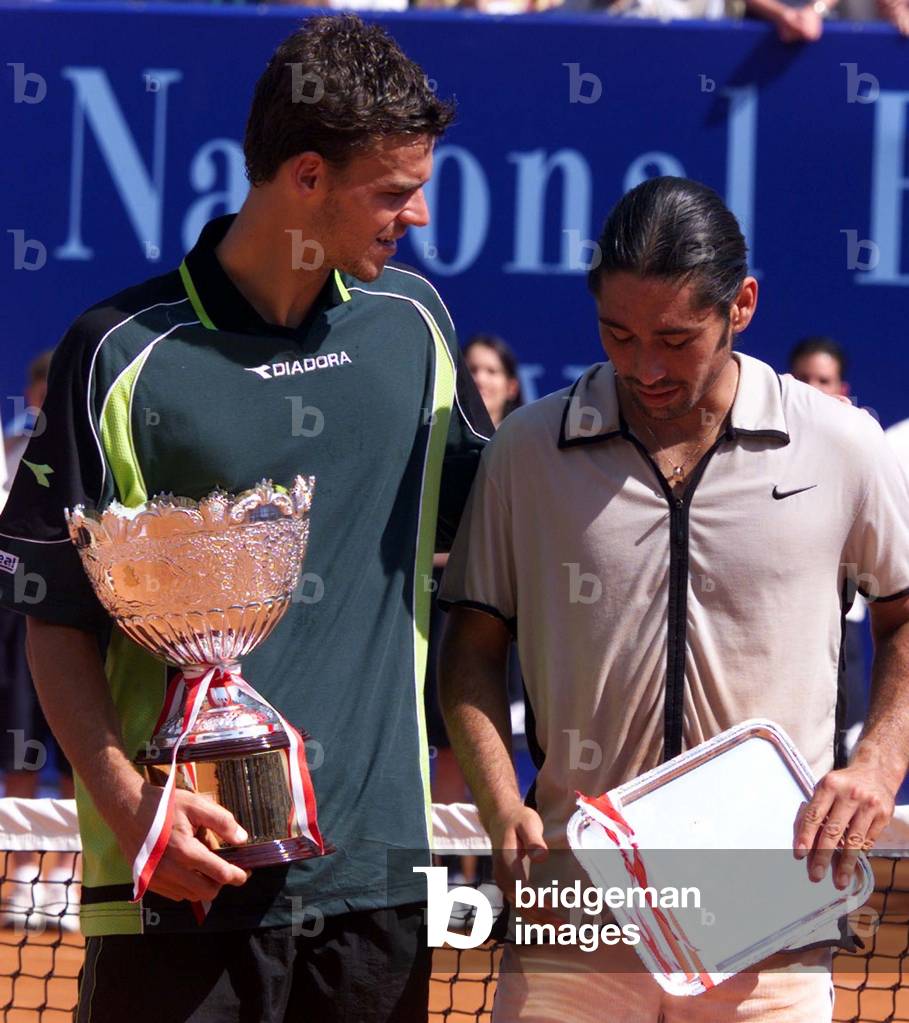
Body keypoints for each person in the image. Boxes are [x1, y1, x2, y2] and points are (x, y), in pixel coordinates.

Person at [0, 14, 492, 1021]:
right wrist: (133, 807)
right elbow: (55, 617)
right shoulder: (117, 352)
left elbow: (509, 523)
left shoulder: (415, 327)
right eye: (393, 192)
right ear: (307, 177)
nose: (418, 215)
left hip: (376, 883)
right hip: (177, 883)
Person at [438, 176, 909, 1021]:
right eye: (616, 334)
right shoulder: (525, 451)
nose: (643, 368)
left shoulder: (841, 445)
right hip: (572, 917)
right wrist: (499, 799)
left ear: (742, 306)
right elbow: (470, 642)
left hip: (768, 916)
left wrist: (877, 761)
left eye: (674, 339)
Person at [788, 337, 868, 741]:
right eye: (803, 379)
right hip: (776, 625)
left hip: (840, 626)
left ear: (842, 390)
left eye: (823, 380)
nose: (813, 389)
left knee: (839, 744)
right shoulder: (755, 447)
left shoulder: (863, 448)